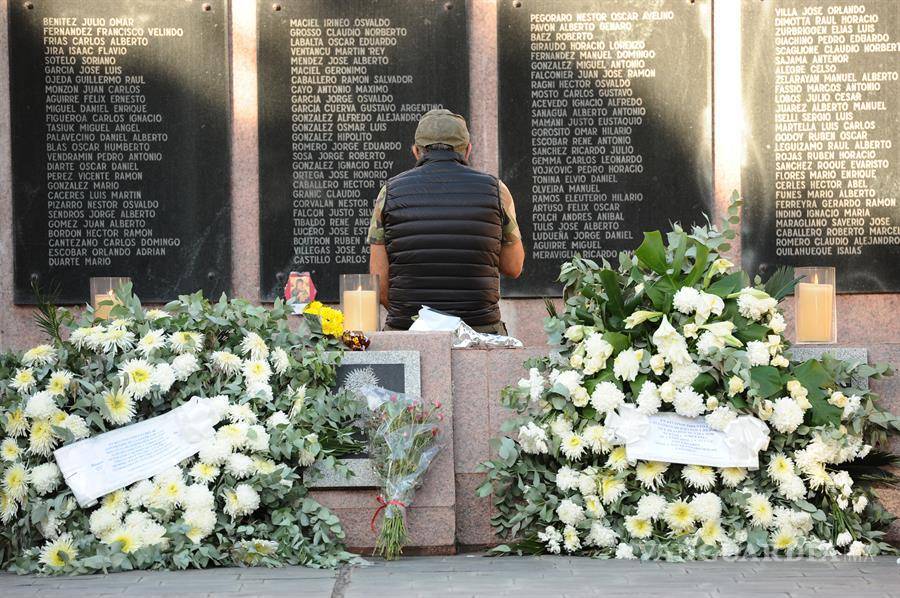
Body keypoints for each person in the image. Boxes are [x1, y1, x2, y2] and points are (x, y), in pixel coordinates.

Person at [367, 108, 525, 334]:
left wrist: (420, 320)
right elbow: (513, 266)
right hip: (480, 330)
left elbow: (379, 279)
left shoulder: (389, 192)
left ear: (416, 151)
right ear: (468, 150)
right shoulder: (496, 190)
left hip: (409, 330)